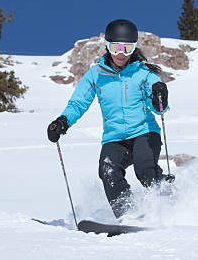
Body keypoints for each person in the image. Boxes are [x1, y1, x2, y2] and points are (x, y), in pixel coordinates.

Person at [47, 19, 170, 218]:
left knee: (144, 167)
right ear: (107, 46)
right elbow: (79, 103)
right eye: (115, 47)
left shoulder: (143, 73)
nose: (120, 54)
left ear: (133, 49)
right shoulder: (96, 74)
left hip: (144, 132)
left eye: (126, 48)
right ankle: (127, 214)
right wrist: (63, 121)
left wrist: (159, 96)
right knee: (108, 171)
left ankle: (166, 202)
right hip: (114, 138)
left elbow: (158, 107)